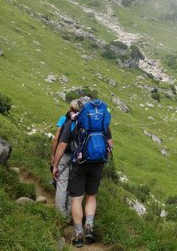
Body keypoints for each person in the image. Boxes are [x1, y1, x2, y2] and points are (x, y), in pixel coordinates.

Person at [52, 97, 113, 247]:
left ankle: (78, 234)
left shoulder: (73, 122)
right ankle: (89, 227)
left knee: (77, 199)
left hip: (79, 163)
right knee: (91, 196)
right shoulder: (102, 122)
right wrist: (104, 160)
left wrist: (55, 165)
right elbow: (110, 145)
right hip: (98, 162)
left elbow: (61, 145)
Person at [50, 99, 81, 221]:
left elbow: (57, 139)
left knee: (62, 185)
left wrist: (54, 156)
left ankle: (60, 216)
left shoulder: (64, 119)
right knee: (72, 187)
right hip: (77, 157)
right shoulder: (83, 121)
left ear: (71, 109)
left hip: (63, 155)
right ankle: (69, 217)